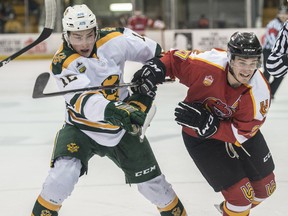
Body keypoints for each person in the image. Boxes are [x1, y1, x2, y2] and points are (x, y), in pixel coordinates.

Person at [31, 4, 187, 216]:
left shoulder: (115, 38)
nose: (84, 42)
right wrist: (119, 110)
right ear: (66, 36)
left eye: (89, 35)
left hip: (123, 130)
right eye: (77, 37)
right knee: (60, 179)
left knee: (157, 188)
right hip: (81, 128)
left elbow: (158, 54)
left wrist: (150, 76)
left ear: (96, 30)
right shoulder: (63, 62)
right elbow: (84, 101)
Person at [131, 32, 276, 216]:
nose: (247, 70)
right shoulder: (209, 64)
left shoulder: (259, 92)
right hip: (200, 138)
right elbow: (173, 60)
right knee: (240, 197)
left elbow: (241, 133)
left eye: (252, 63)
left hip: (234, 132)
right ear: (230, 59)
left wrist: (213, 125)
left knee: (266, 188)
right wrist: (155, 68)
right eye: (242, 62)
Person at [263, 7, 288, 99]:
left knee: (281, 73)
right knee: (267, 72)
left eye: (285, 14)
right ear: (278, 14)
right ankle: (263, 92)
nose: (284, 16)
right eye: (282, 13)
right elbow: (271, 38)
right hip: (269, 51)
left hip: (280, 52)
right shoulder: (273, 24)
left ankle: (270, 93)